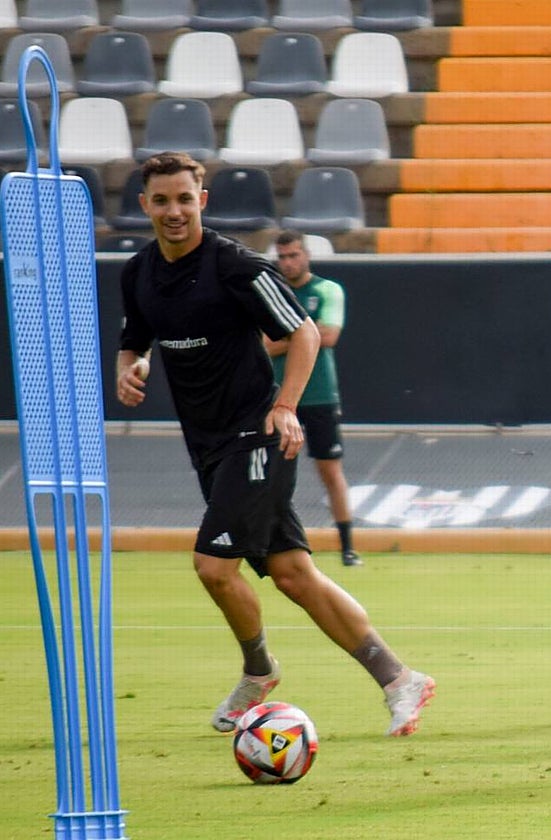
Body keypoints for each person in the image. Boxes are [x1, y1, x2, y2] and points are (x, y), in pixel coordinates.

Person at [115, 152, 434, 738]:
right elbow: (134, 341)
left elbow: (305, 332)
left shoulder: (237, 265)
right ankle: (399, 679)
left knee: (214, 567)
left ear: (202, 201)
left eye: (185, 198)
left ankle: (258, 671)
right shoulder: (137, 274)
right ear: (145, 205)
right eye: (161, 200)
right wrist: (128, 369)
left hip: (256, 437)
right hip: (207, 447)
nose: (174, 211)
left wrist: (284, 405)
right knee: (292, 573)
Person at [264, 229, 361, 567]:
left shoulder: (326, 289)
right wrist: (307, 335)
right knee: (273, 474)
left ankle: (347, 545)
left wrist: (290, 337)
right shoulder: (271, 293)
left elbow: (329, 335)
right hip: (279, 397)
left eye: (294, 255)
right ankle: (274, 544)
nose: (288, 262)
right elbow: (263, 345)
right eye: (283, 256)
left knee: (330, 470)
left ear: (305, 255)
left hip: (319, 394)